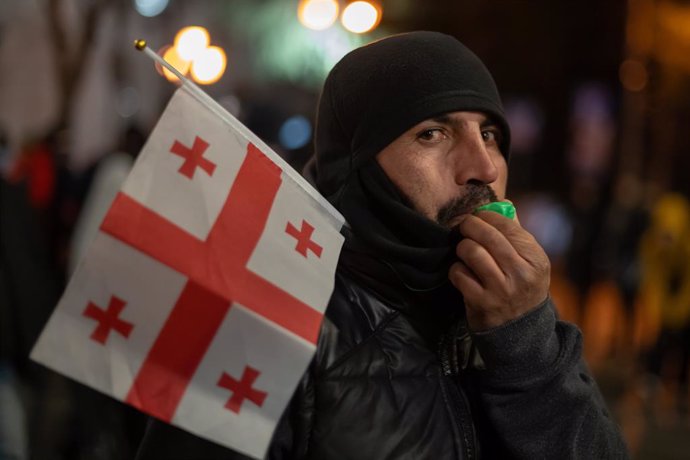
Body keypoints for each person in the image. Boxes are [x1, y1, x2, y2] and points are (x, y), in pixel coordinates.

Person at [136, 31, 629, 459]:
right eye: (433, 133)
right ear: (359, 165)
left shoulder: (516, 311)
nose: (484, 167)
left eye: (491, 134)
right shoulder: (263, 322)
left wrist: (527, 351)